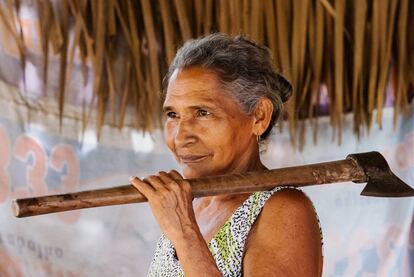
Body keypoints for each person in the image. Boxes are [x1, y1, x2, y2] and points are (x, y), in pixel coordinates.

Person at [130, 33, 323, 276]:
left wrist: (184, 231)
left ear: (259, 116)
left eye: (202, 113)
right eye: (172, 115)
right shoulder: (192, 206)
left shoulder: (283, 210)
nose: (180, 137)